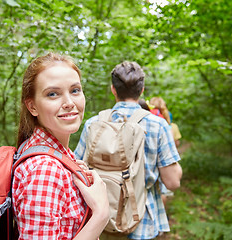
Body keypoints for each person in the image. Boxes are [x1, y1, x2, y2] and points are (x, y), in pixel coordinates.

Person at [75, 61, 182, 239]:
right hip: (141, 221)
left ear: (113, 90)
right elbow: (172, 182)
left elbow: (79, 171)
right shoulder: (158, 125)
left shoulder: (94, 124)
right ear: (142, 90)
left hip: (98, 222)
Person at [12, 52, 110, 239]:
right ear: (32, 107)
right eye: (53, 94)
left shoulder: (56, 153)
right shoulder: (45, 169)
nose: (69, 103)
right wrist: (101, 215)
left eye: (75, 90)